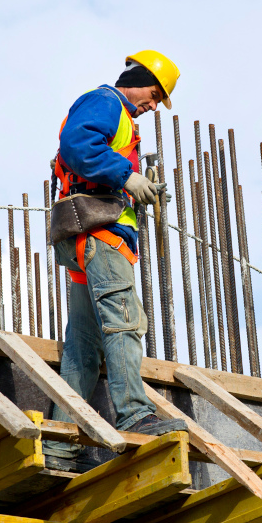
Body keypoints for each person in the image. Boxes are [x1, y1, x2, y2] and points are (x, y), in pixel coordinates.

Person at [43, 51, 186, 471]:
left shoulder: (120, 118)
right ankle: (135, 415)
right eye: (154, 95)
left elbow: (91, 159)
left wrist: (135, 184)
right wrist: (127, 176)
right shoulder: (106, 101)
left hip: (86, 239)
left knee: (83, 346)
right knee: (124, 322)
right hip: (100, 237)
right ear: (138, 80)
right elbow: (78, 146)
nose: (153, 106)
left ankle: (60, 445)